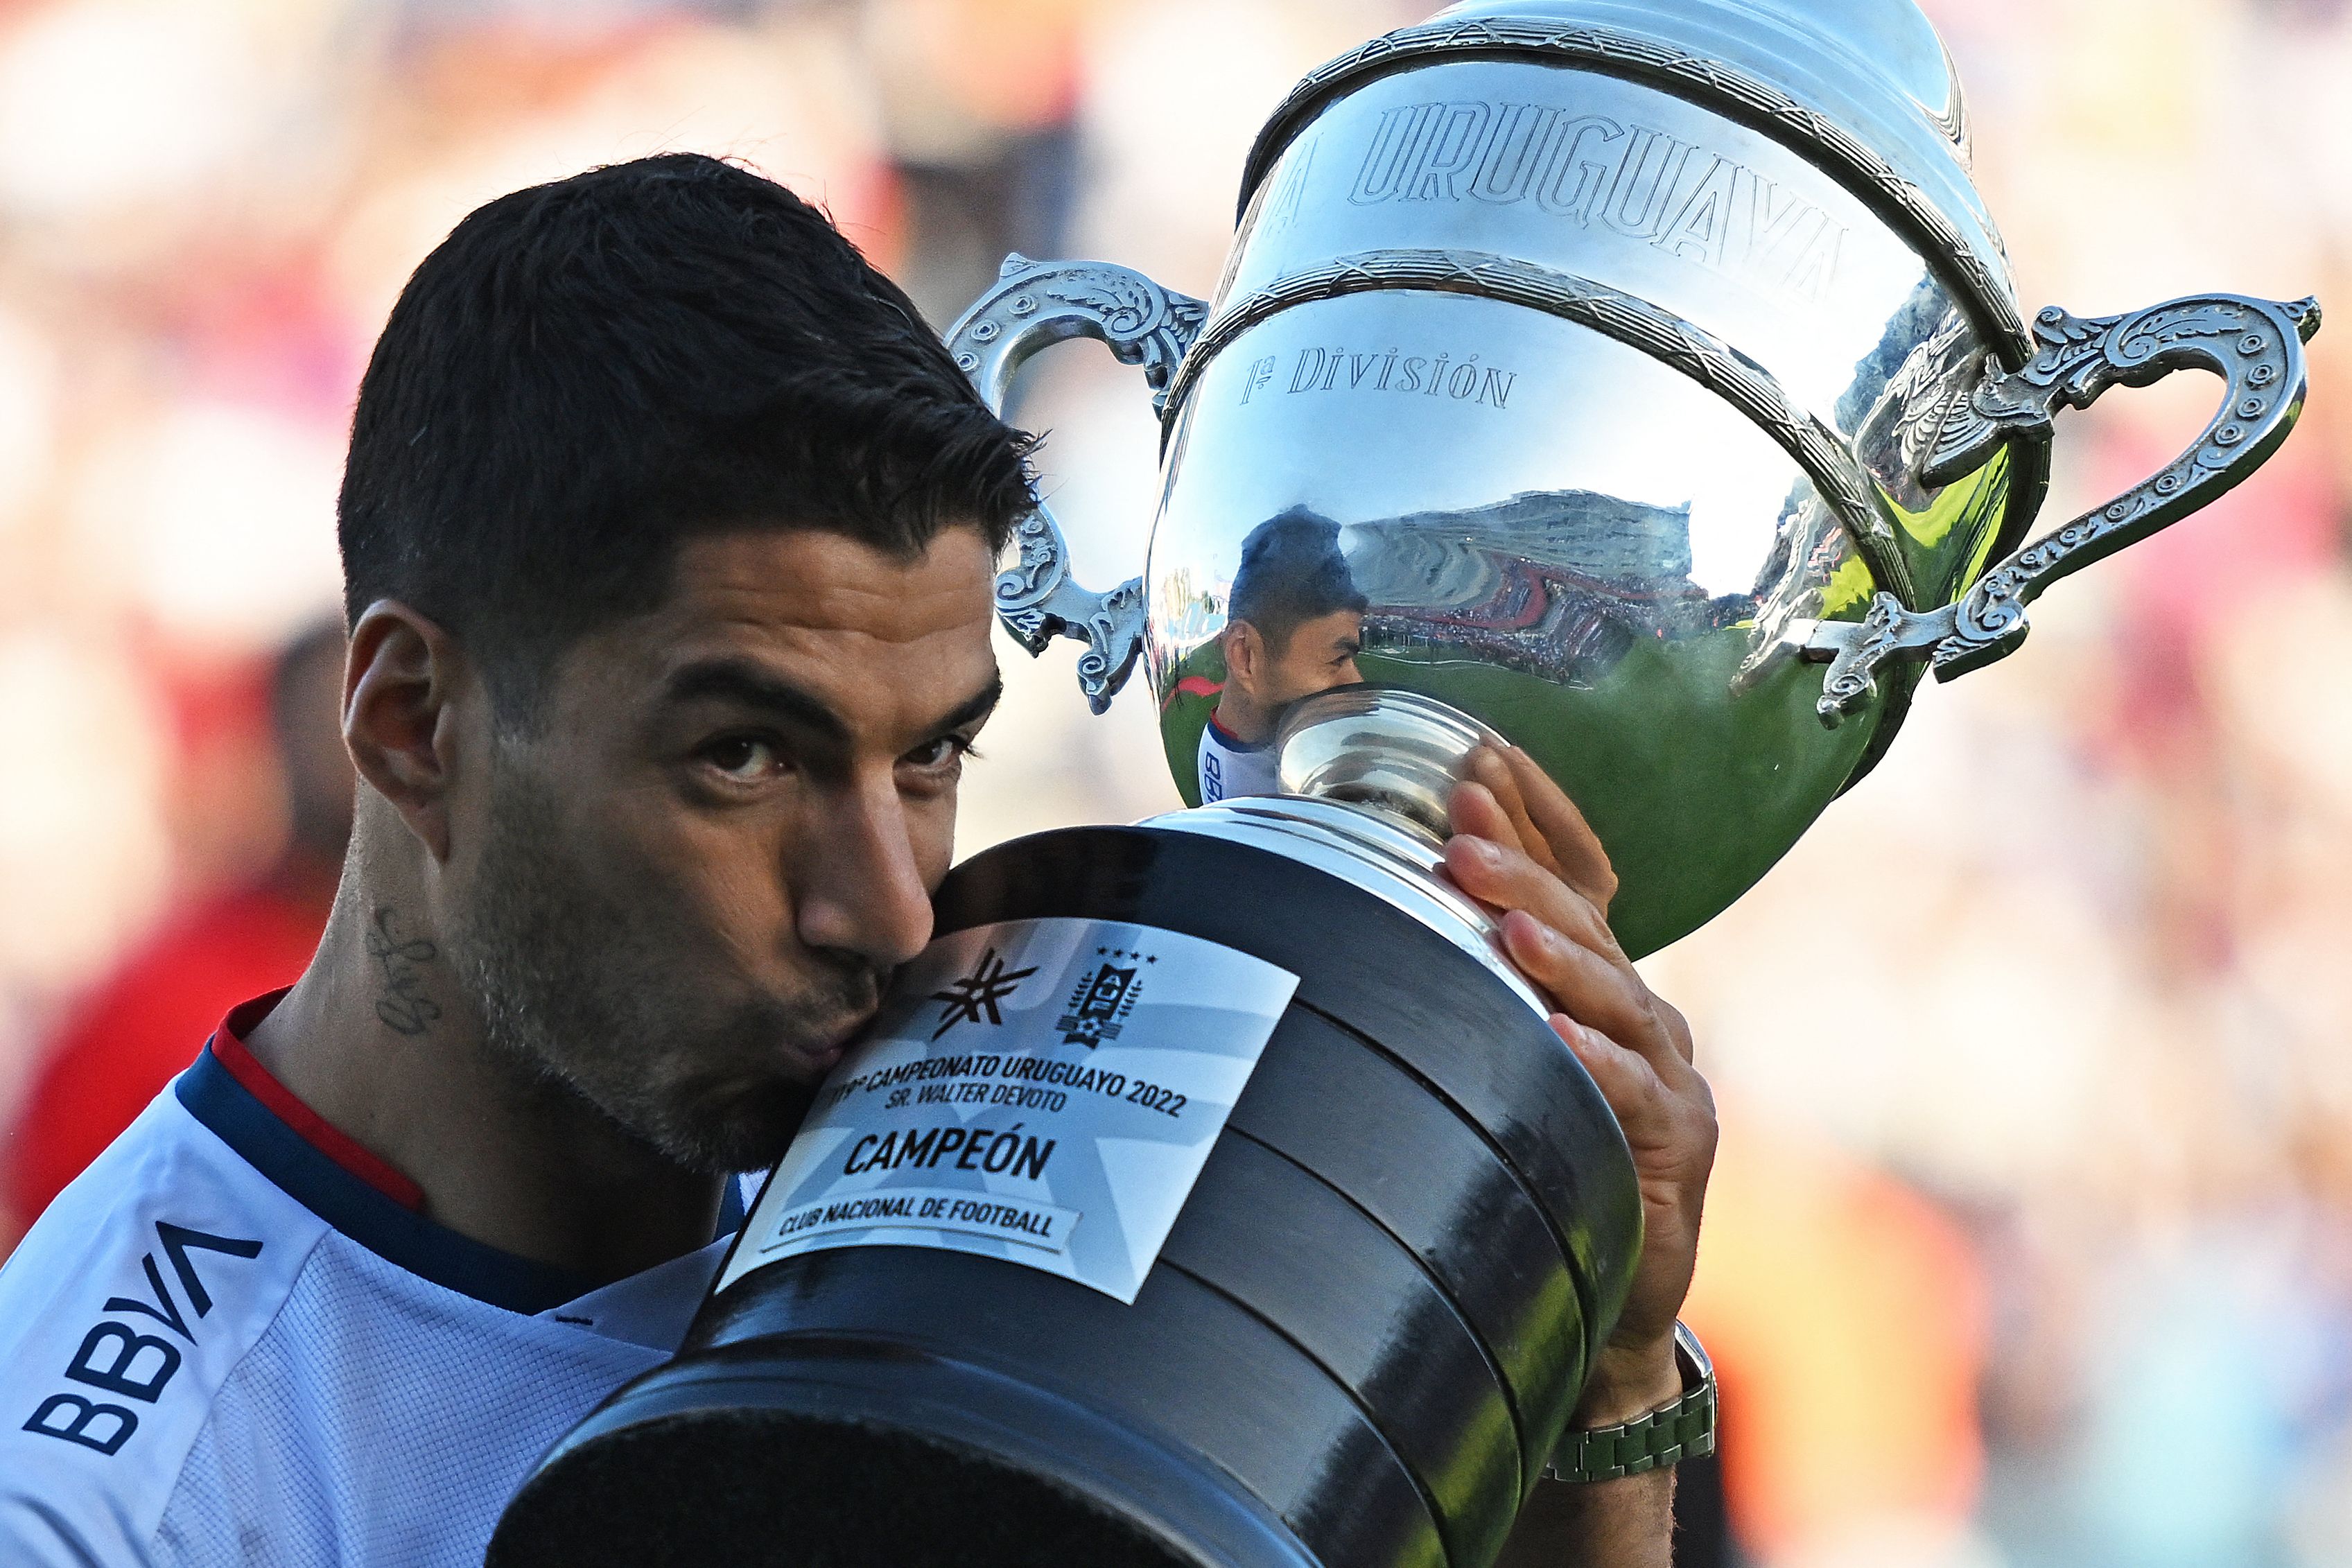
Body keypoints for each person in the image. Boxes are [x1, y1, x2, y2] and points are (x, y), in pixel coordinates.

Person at [0, 155, 1717, 1567]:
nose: (888, 911)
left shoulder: (995, 1140)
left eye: (930, 757)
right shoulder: (109, 1503)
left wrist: (1600, 1377)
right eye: (743, 755)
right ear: (408, 723)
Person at [4, 621, 354, 1232]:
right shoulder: (167, 984)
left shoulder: (476, 982)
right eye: (326, 722)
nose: (352, 762)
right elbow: (51, 1208)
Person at [1198, 506, 1367, 803]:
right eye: (1337, 660)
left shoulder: (1227, 749)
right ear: (1245, 656)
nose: (1357, 682)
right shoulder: (1274, 802)